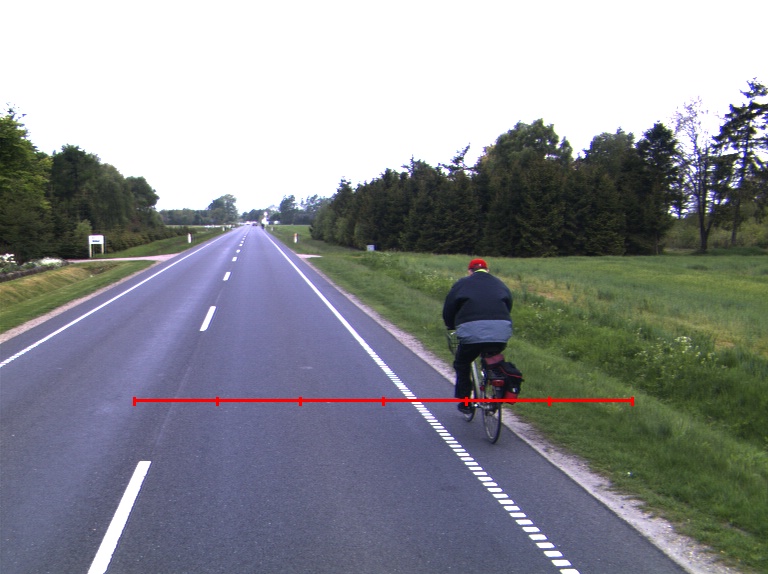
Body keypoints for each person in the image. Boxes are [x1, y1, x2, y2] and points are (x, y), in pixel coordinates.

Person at [442, 258, 513, 414]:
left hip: (471, 332)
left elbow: (449, 308)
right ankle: (494, 383)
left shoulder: (462, 284)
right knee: (492, 358)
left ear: (470, 271)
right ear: (487, 270)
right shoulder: (499, 283)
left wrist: (450, 325)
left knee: (462, 363)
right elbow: (508, 305)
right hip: (501, 330)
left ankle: (465, 402)